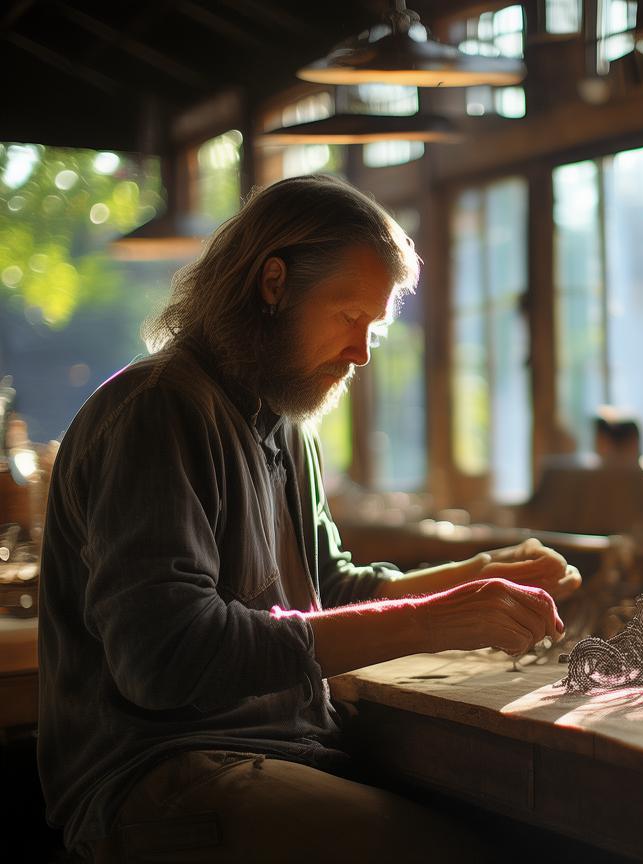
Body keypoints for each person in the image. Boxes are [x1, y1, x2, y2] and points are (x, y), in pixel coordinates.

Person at [36, 174, 581, 862]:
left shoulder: (284, 422)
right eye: (349, 317)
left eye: (374, 330)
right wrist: (437, 621)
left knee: (524, 831)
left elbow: (329, 591)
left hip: (283, 751)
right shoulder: (158, 409)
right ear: (273, 284)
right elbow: (165, 658)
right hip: (160, 774)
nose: (360, 353)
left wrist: (474, 580)